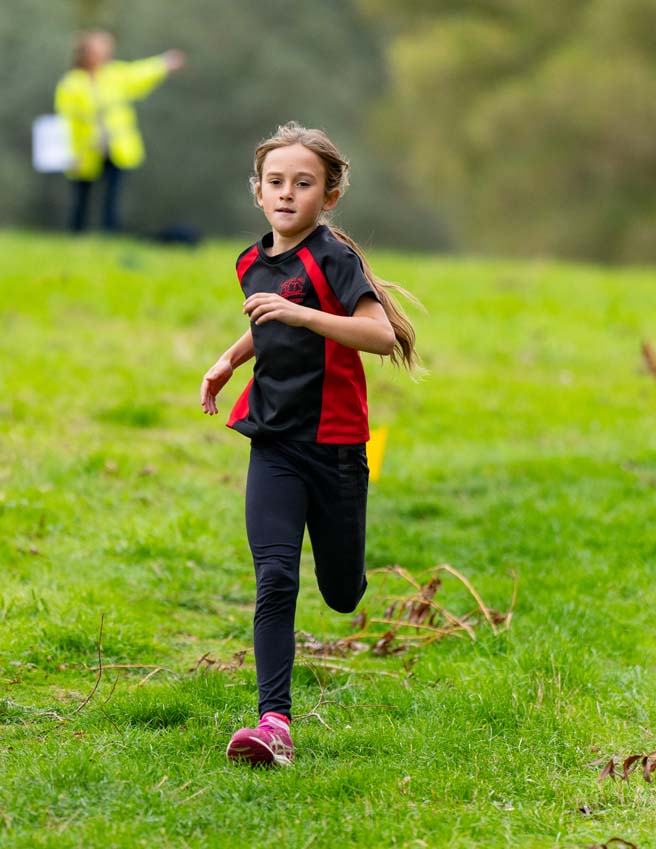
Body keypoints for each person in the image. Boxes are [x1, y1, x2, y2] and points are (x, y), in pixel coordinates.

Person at [200, 122, 419, 767]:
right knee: (274, 576)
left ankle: (348, 566)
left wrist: (296, 315)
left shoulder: (334, 259)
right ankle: (274, 724)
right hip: (273, 438)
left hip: (337, 444)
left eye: (304, 184)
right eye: (276, 183)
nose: (287, 194)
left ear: (329, 196)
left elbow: (380, 337)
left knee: (342, 591)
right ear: (258, 191)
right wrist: (231, 358)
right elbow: (271, 314)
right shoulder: (250, 261)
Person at [54, 30, 185, 233]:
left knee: (112, 195)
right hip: (84, 151)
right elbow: (64, 122)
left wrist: (163, 63)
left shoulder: (114, 75)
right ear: (86, 53)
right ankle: (76, 234)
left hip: (116, 147)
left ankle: (109, 234)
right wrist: (69, 152)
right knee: (82, 195)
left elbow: (140, 73)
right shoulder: (71, 84)